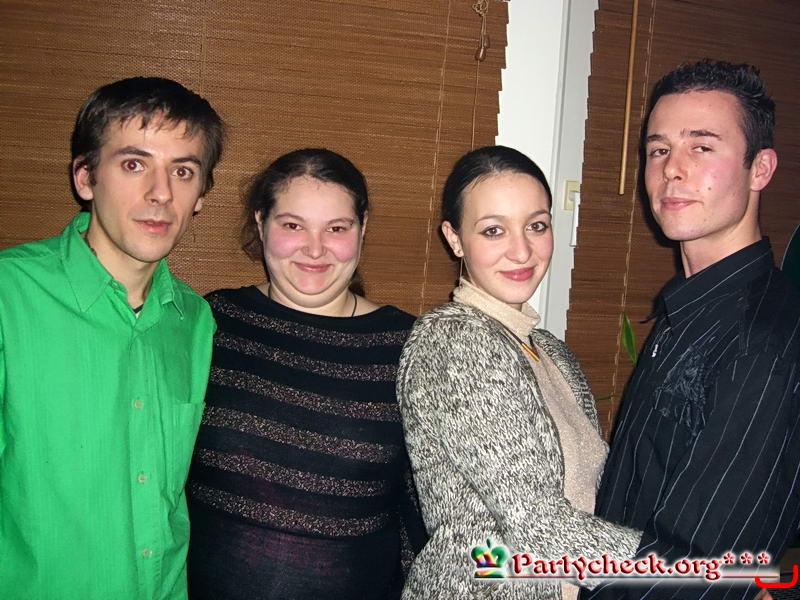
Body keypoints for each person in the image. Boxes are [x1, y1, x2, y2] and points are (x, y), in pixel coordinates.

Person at [0, 77, 225, 599]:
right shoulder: (10, 295)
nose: (161, 193)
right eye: (134, 164)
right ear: (85, 177)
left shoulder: (195, 320)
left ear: (200, 197)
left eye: (183, 171)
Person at [583, 60, 800, 600]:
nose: (672, 170)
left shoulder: (762, 338)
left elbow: (702, 572)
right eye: (658, 150)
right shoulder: (687, 311)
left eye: (701, 146)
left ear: (760, 169)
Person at [396, 145, 642, 600]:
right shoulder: (456, 341)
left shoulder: (549, 351)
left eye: (536, 225)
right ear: (454, 238)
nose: (522, 250)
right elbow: (538, 524)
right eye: (494, 230)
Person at [185, 148, 427, 599]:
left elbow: (449, 510)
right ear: (262, 223)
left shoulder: (410, 346)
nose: (315, 249)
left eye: (337, 228)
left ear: (362, 228)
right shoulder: (214, 323)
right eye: (293, 225)